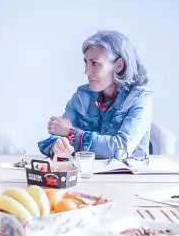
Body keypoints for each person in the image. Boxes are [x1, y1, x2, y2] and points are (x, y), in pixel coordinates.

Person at [38, 30, 153, 160]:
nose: (87, 71)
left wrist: (72, 134)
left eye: (94, 63)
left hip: (127, 173)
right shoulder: (81, 96)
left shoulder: (140, 98)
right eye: (86, 62)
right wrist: (57, 146)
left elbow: (121, 149)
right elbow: (56, 135)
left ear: (118, 65)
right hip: (85, 171)